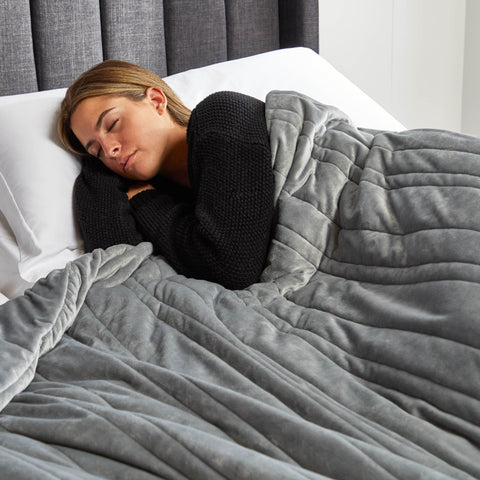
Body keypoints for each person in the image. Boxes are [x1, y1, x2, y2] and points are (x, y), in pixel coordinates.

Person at [58, 60, 274, 290]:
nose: (110, 150)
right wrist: (97, 170)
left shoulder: (223, 117)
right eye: (97, 150)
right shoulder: (160, 193)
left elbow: (233, 269)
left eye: (113, 124)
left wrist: (148, 202)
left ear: (157, 101)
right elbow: (123, 279)